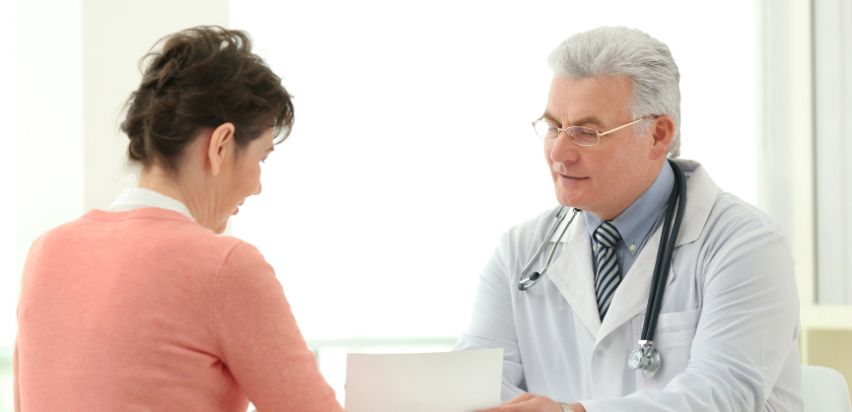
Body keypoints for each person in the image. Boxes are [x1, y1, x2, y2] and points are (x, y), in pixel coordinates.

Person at [459, 26, 801, 411]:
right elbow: (475, 388)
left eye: (587, 132)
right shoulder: (520, 253)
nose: (559, 153)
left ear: (657, 135)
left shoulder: (744, 245)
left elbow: (724, 396)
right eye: (553, 127)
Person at [15, 26, 343, 411]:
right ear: (221, 145)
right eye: (261, 159)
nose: (257, 186)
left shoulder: (47, 252)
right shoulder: (225, 268)